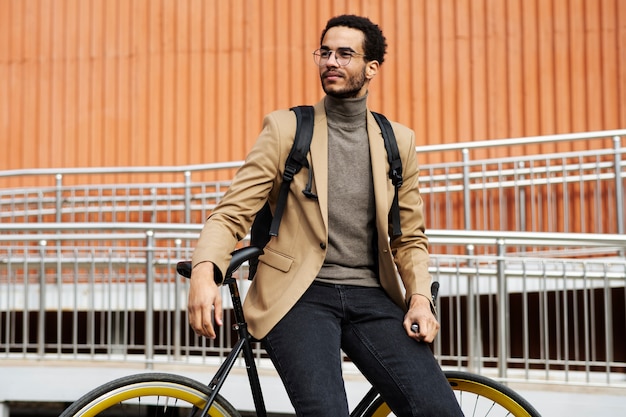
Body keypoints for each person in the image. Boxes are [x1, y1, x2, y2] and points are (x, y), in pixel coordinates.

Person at [188, 14, 463, 417]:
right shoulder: (286, 129)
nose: (331, 61)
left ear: (371, 68)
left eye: (344, 54)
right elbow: (231, 213)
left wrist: (420, 298)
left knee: (438, 409)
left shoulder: (397, 141)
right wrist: (203, 271)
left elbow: (409, 237)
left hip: (372, 295)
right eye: (325, 52)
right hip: (299, 295)